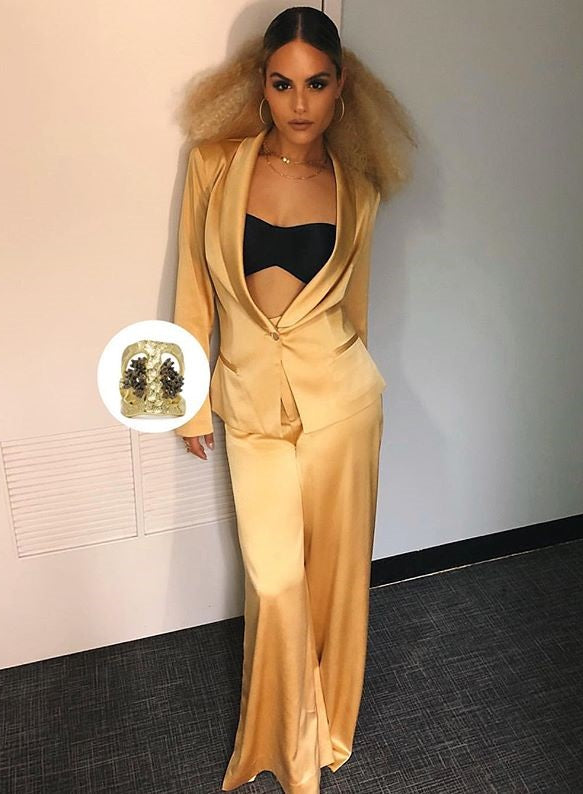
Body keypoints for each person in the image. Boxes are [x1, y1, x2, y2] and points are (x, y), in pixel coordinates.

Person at [172, 7, 416, 792]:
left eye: (316, 84)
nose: (299, 103)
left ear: (342, 89)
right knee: (276, 583)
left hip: (342, 407)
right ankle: (283, 743)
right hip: (249, 407)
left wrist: (361, 388)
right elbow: (192, 290)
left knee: (339, 585)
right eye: (283, 85)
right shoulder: (214, 165)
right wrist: (186, 401)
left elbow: (357, 308)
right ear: (260, 86)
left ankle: (329, 726)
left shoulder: (357, 187)